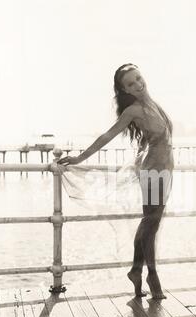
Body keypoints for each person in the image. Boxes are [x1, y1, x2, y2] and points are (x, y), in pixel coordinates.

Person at [58, 63, 174, 299]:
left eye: (138, 78)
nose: (138, 85)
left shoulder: (153, 105)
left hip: (165, 171)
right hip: (152, 172)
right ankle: (152, 276)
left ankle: (135, 270)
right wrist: (80, 157)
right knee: (150, 224)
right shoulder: (133, 111)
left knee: (149, 223)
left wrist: (143, 154)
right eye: (130, 84)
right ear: (125, 90)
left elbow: (156, 138)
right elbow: (107, 135)